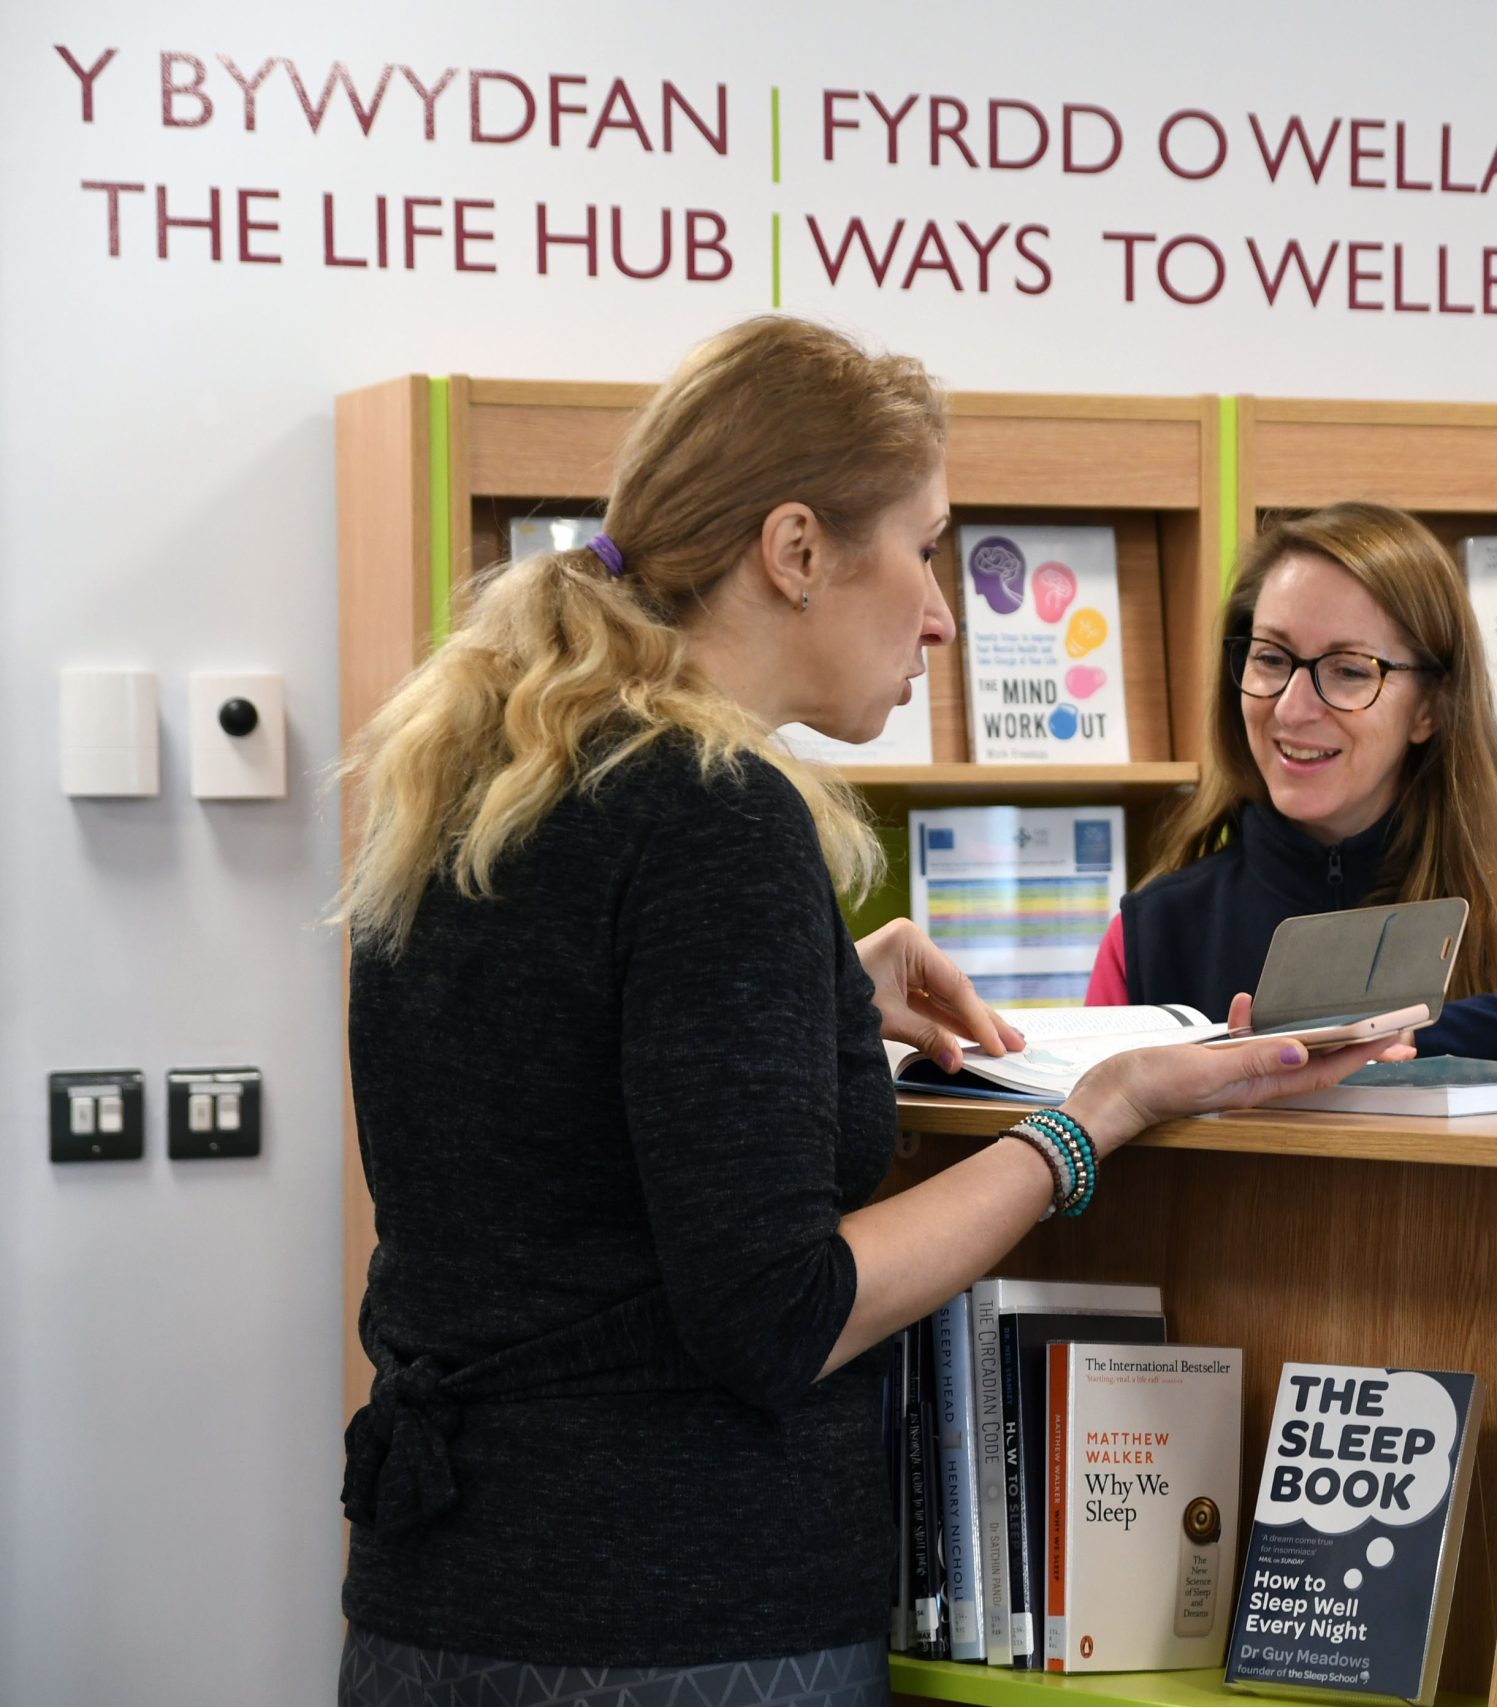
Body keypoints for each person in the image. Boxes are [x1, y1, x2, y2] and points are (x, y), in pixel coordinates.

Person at [330, 316, 1399, 1707]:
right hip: (676, 1631)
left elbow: (562, 1110)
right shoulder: (714, 815)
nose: (944, 611)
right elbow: (782, 1311)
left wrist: (817, 993)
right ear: (795, 549)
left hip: (437, 1603)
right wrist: (1092, 1120)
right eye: (928, 545)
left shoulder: (494, 772)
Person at [1084, 501, 1497, 1062]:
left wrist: (1416, 1036)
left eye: (1348, 670)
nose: (1291, 707)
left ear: (1431, 708)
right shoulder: (1152, 932)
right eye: (1271, 658)